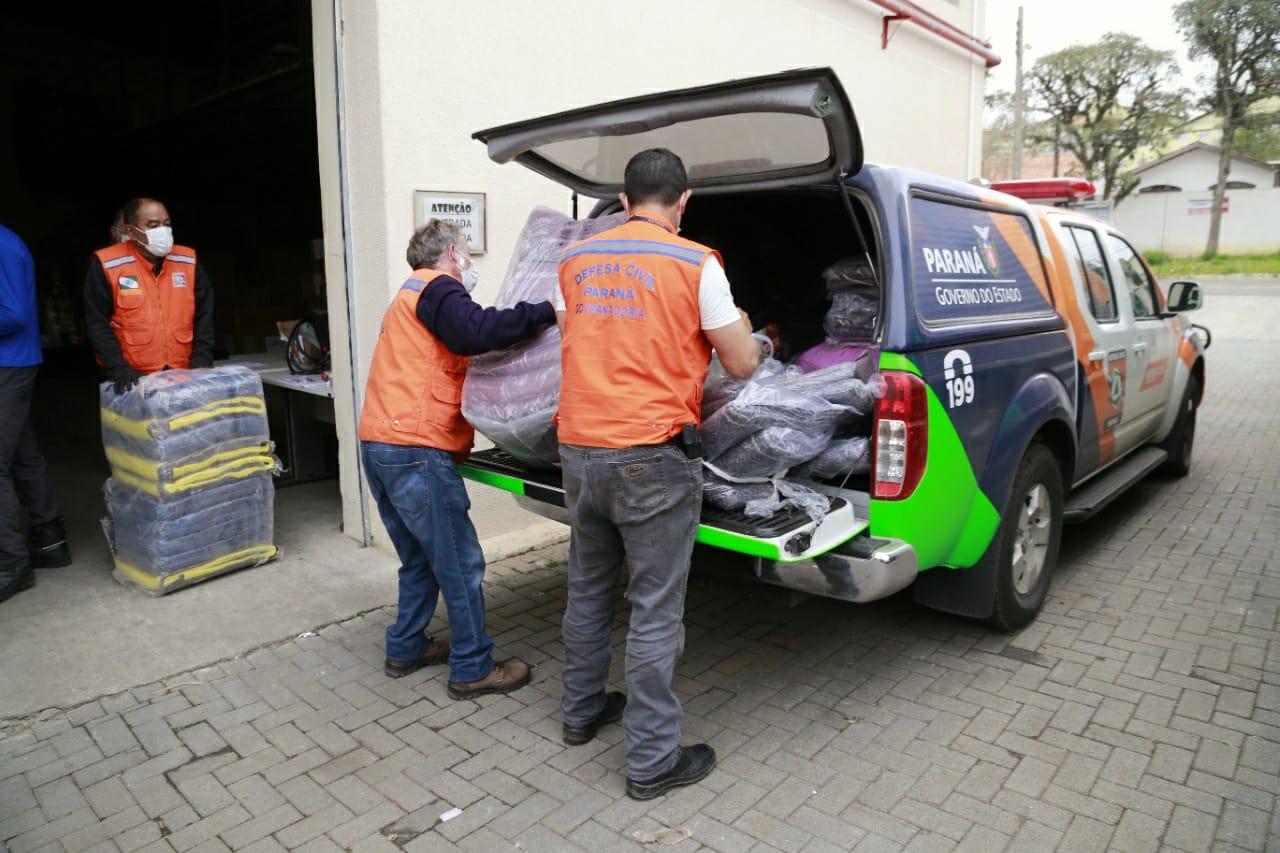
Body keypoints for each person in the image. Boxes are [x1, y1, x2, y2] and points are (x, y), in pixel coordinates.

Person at [554, 148, 760, 800]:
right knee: (653, 612)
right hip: (651, 457)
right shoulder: (696, 263)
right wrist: (747, 332)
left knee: (588, 588)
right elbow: (742, 362)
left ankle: (581, 711)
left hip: (580, 451)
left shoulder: (576, 261)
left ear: (622, 195)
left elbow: (578, 335)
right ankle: (650, 761)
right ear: (684, 199)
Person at [358, 219, 554, 698]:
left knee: (420, 559)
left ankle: (405, 646)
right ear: (451, 253)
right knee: (460, 563)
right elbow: (477, 330)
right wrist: (547, 311)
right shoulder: (438, 288)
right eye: (468, 252)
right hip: (416, 451)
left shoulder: (407, 296)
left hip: (381, 444)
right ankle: (472, 666)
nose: (470, 263)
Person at [0, 224, 71, 604]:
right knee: (23, 455)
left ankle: (10, 563)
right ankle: (49, 541)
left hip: (7, 364)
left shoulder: (3, 245)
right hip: (10, 363)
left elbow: (11, 315)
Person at [84, 198, 215, 393]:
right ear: (131, 231)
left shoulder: (188, 260)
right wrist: (118, 368)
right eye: (153, 225)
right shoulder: (108, 264)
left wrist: (201, 361)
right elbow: (97, 322)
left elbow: (205, 315)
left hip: (185, 373)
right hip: (131, 379)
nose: (163, 230)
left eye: (167, 224)